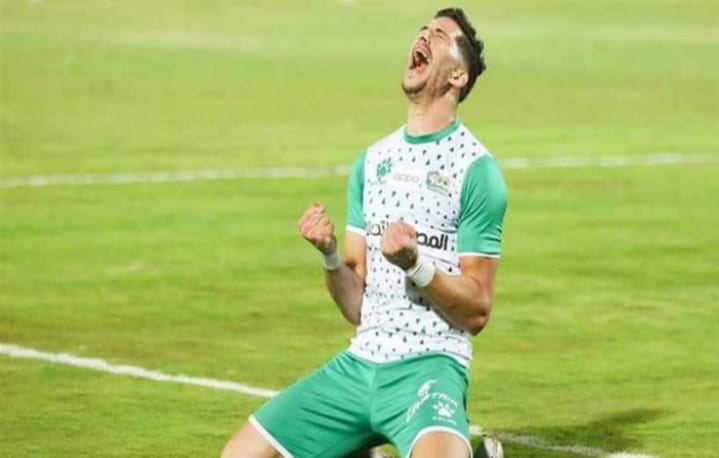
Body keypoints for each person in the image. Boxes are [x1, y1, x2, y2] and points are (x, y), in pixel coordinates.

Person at [222, 7, 507, 458]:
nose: (424, 36)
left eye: (439, 34)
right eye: (423, 29)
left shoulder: (476, 171)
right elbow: (358, 305)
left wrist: (416, 264)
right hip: (360, 364)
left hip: (430, 366)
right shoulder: (373, 162)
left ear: (458, 76)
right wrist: (330, 255)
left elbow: (477, 311)